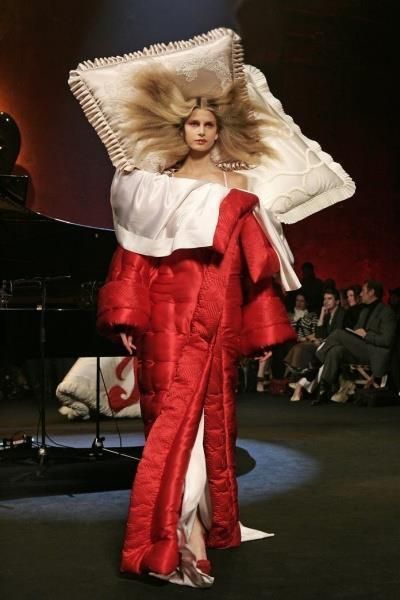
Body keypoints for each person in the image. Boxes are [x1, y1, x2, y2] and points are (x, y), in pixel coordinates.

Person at [97, 66, 298, 587]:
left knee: (213, 424)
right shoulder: (157, 187)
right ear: (180, 131)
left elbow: (253, 268)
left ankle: (206, 523)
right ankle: (180, 536)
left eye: (210, 124)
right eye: (194, 124)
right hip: (168, 315)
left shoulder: (239, 186)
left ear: (219, 130)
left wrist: (260, 330)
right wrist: (127, 315)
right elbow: (135, 257)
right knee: (173, 424)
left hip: (219, 318)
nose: (202, 132)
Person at [315, 280, 396, 403]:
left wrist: (366, 335)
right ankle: (323, 390)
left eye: (363, 291)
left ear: (372, 292)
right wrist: (354, 333)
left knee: (338, 333)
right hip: (360, 349)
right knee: (336, 350)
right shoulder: (364, 311)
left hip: (374, 352)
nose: (361, 294)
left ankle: (315, 362)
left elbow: (387, 340)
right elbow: (356, 332)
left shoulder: (387, 312)